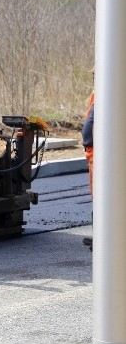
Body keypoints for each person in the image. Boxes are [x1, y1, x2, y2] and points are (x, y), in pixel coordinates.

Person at [82, 69, 94, 248]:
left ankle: (101, 236)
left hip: (97, 153)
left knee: (101, 196)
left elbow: (90, 123)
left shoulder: (103, 92)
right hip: (95, 152)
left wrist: (88, 142)